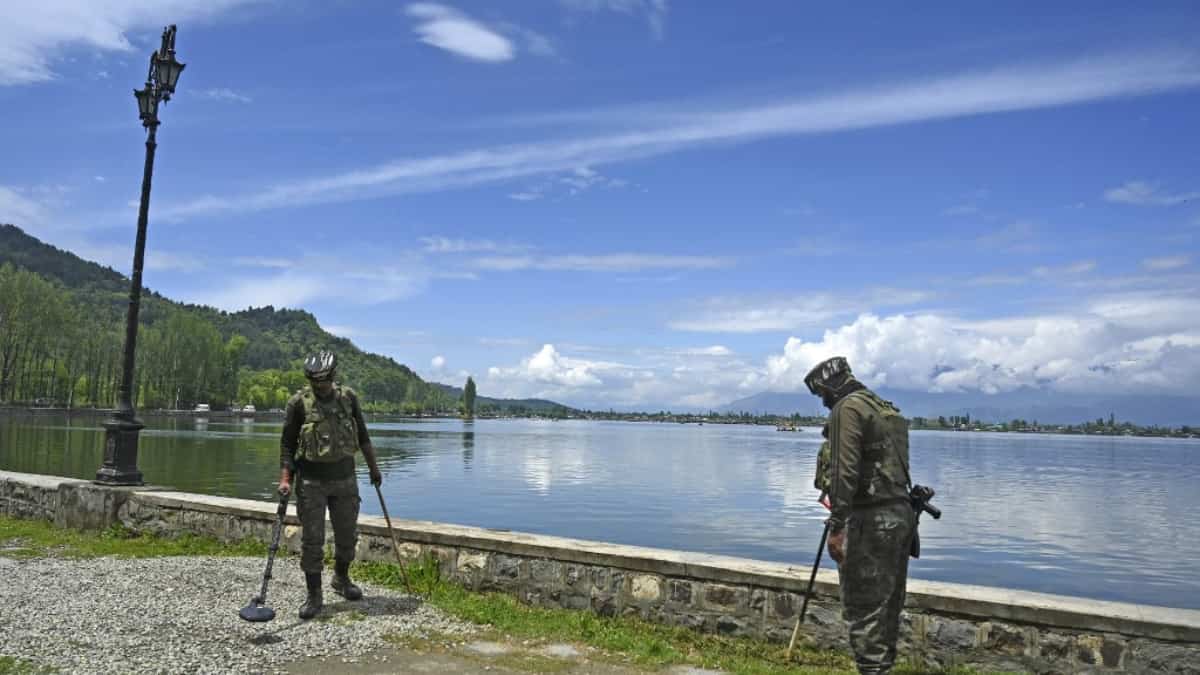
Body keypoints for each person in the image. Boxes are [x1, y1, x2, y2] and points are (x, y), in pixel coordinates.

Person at [804, 356, 914, 675]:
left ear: (831, 385)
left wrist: (837, 526)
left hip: (870, 522)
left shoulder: (847, 409)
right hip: (898, 515)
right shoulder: (878, 405)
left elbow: (844, 473)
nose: (823, 401)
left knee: (864, 610)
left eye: (822, 392)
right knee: (886, 608)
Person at [278, 350, 384, 620]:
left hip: (345, 479)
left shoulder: (348, 399)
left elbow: (363, 436)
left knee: (347, 536)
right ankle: (314, 595)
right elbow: (287, 445)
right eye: (315, 381)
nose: (320, 386)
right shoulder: (297, 404)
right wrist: (285, 480)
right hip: (311, 482)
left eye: (324, 380)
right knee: (313, 541)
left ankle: (341, 578)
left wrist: (374, 468)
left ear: (333, 377)